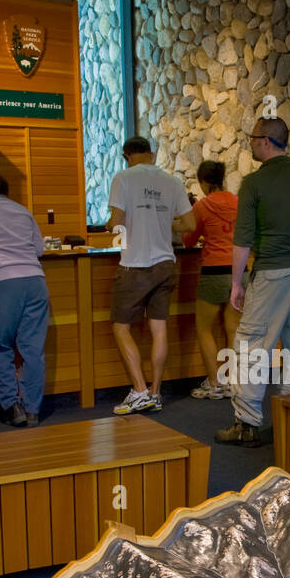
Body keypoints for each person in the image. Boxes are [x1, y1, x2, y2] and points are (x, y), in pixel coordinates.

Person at [216, 117, 290, 447]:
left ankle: (246, 423)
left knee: (250, 346)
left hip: (272, 272)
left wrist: (236, 283)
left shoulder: (254, 184)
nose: (250, 143)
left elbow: (242, 240)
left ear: (265, 142)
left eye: (253, 138)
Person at [105, 136, 194, 415]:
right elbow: (189, 224)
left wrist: (114, 233)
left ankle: (140, 391)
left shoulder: (123, 178)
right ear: (151, 154)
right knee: (159, 328)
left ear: (127, 156)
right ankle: (155, 393)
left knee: (121, 327)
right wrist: (165, 222)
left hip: (135, 264)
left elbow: (117, 223)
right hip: (166, 263)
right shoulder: (173, 182)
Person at [0, 167, 49, 427]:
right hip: (36, 282)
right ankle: (33, 410)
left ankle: (12, 407)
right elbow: (39, 248)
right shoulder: (22, 210)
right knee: (33, 350)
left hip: (3, 283)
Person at [183, 160, 241, 400]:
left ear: (204, 182)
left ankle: (215, 383)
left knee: (204, 328)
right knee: (234, 329)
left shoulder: (203, 206)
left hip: (213, 273)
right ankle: (234, 382)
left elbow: (188, 240)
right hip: (238, 272)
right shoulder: (238, 203)